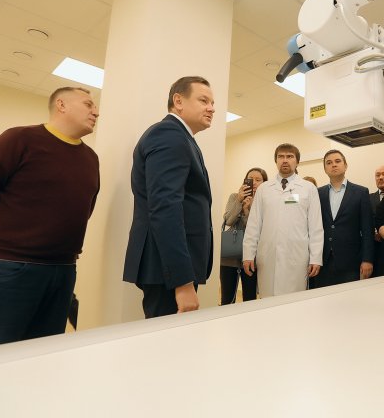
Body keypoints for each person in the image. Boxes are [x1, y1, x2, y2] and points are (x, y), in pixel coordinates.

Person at [0, 87, 100, 350]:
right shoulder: (19, 140)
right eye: (88, 104)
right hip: (9, 268)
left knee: (40, 354)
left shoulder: (91, 159)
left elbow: (83, 210)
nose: (96, 112)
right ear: (61, 105)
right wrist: (1, 241)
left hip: (63, 271)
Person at [123, 76, 215, 318]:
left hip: (168, 267)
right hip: (167, 269)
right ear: (178, 101)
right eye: (203, 100)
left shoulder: (182, 138)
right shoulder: (169, 135)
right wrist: (182, 281)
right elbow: (165, 208)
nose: (211, 108)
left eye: (212, 103)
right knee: (167, 339)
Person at [242, 143, 323, 297]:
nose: (285, 160)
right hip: (268, 256)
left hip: (296, 256)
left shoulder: (308, 188)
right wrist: (248, 255)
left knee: (294, 301)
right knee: (267, 300)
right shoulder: (264, 189)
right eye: (281, 156)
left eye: (290, 156)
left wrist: (316, 257)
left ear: (297, 161)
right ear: (276, 161)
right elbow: (254, 225)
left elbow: (315, 226)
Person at [312, 150, 374, 288]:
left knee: (350, 299)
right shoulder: (317, 193)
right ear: (325, 169)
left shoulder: (361, 192)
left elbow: (367, 229)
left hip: (351, 261)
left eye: (337, 161)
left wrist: (367, 259)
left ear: (345, 165)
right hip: (323, 261)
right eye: (329, 163)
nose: (333, 165)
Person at [220, 167, 267, 304]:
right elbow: (229, 220)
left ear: (265, 183)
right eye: (251, 179)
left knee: (250, 299)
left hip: (252, 258)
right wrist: (239, 201)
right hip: (229, 257)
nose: (254, 182)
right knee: (227, 299)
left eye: (258, 180)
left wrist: (247, 212)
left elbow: (260, 229)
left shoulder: (264, 202)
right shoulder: (234, 197)